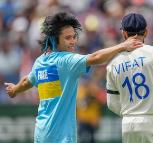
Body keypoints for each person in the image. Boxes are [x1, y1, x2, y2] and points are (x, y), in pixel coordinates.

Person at [4, 12, 142, 143]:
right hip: (62, 137)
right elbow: (95, 57)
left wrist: (15, 89)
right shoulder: (66, 61)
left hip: (41, 134)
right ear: (54, 39)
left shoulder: (41, 61)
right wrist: (123, 45)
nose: (73, 41)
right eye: (67, 38)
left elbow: (27, 81)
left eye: (74, 36)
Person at [106, 13, 153, 143]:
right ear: (146, 32)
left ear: (124, 33)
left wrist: (130, 114)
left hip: (128, 123)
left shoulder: (113, 63)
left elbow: (112, 103)